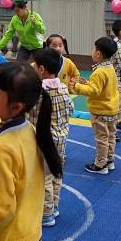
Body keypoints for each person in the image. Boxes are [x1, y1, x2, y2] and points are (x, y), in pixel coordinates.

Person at [0, 62, 62, 241]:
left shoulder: (2, 150)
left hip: (7, 238)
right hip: (29, 233)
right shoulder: (29, 130)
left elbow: (2, 210)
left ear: (16, 107)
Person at [31, 48, 74, 226]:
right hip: (61, 140)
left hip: (45, 141)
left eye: (34, 65)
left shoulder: (39, 91)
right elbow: (70, 109)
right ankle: (54, 206)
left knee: (45, 178)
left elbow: (31, 113)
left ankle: (46, 213)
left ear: (41, 69)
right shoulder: (63, 88)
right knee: (56, 174)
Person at [69, 37, 119, 174]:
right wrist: (88, 84)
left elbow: (94, 91)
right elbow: (103, 88)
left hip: (100, 111)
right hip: (112, 109)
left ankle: (100, 164)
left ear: (98, 54)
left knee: (101, 138)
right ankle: (109, 160)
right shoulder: (110, 68)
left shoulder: (99, 72)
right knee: (110, 136)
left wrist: (77, 87)